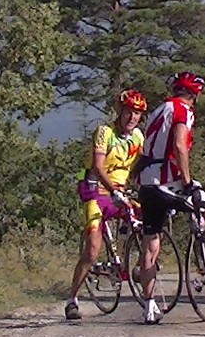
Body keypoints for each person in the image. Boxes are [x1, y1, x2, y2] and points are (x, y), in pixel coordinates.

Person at [132, 71, 205, 325]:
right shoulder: (183, 110)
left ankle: (149, 306)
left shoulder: (158, 111)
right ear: (195, 95)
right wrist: (188, 182)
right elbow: (179, 145)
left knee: (151, 243)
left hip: (147, 184)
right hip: (168, 182)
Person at [63, 89, 149, 320]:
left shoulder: (138, 137)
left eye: (137, 114)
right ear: (120, 111)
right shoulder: (105, 133)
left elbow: (143, 164)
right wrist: (113, 190)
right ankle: (72, 299)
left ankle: (140, 267)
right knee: (92, 250)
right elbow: (99, 167)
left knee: (148, 222)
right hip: (95, 191)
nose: (132, 117)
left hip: (120, 191)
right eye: (128, 112)